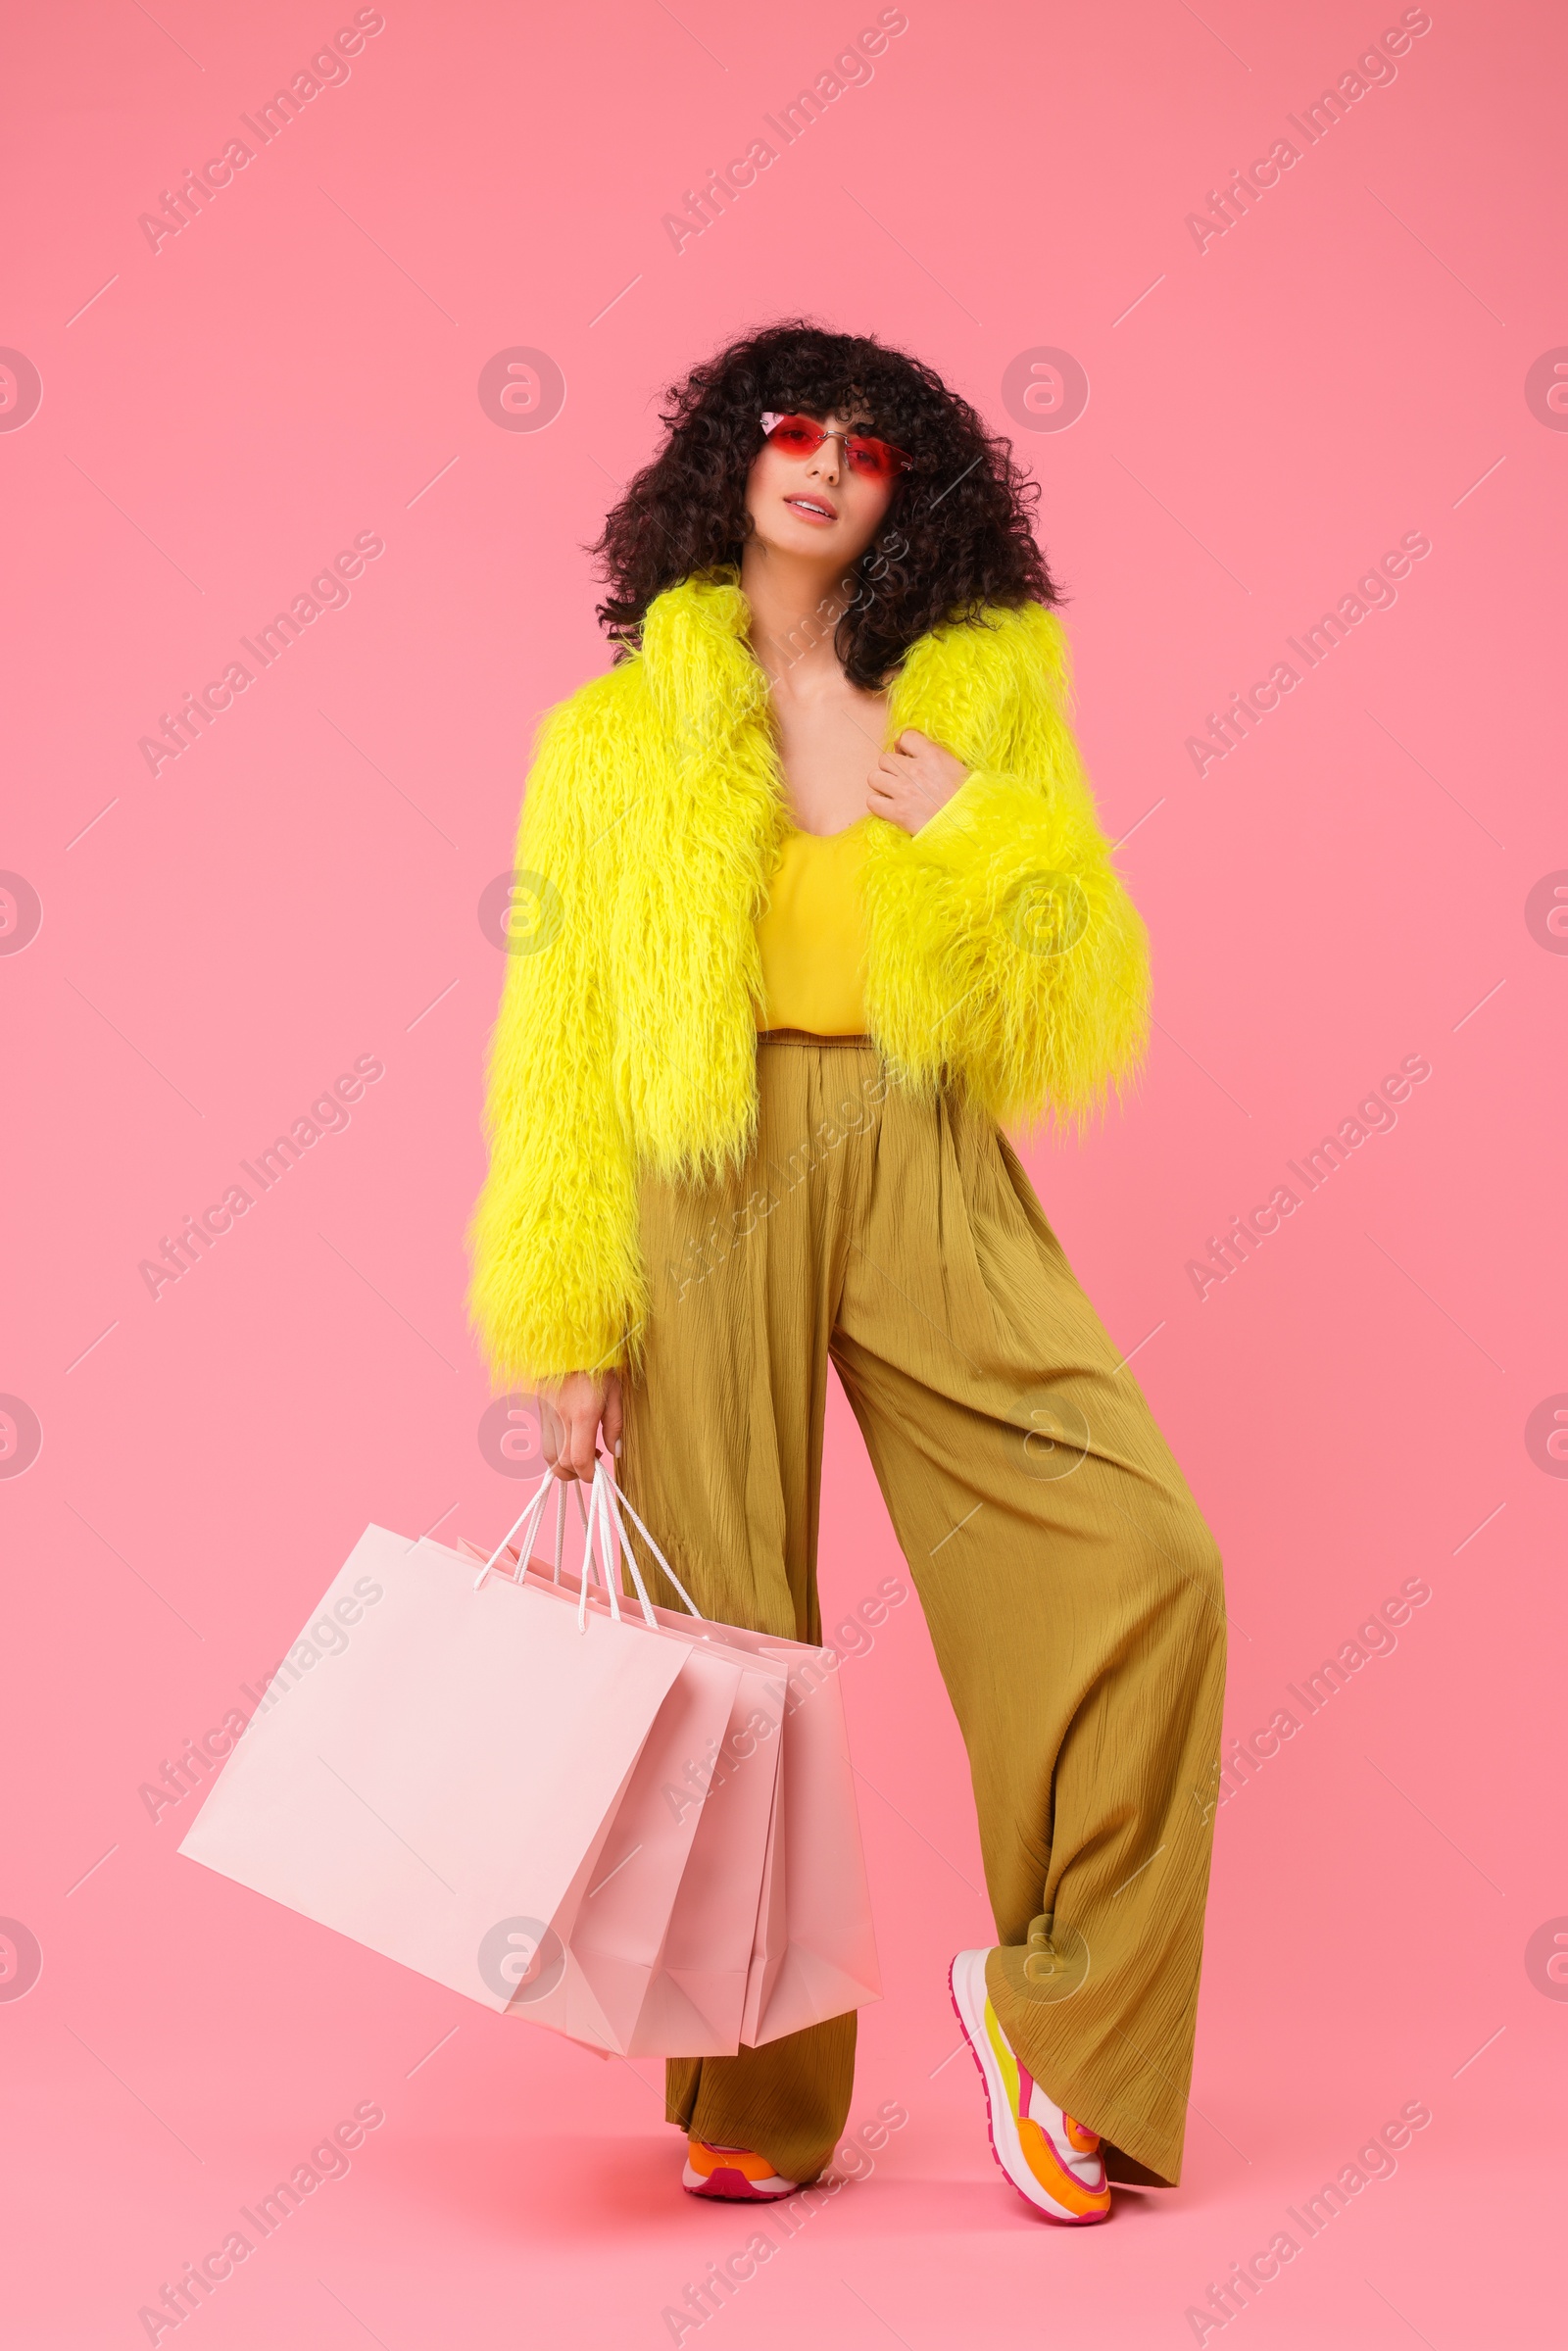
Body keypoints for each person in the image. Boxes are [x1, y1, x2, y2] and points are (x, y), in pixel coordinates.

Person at [468, 321, 1226, 2224]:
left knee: (1143, 1556)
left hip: (919, 1143)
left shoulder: (975, 696)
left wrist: (977, 827)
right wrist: (565, 1320)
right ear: (727, 458)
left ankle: (1059, 2027)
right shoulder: (612, 738)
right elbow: (553, 1030)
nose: (820, 465)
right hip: (690, 1179)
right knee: (728, 1624)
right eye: (789, 430)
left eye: (866, 449)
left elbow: (1074, 1007)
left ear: (910, 491)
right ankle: (758, 2077)